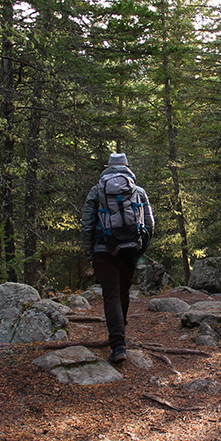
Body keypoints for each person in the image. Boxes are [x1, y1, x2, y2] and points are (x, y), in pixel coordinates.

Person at [81, 153, 154, 363]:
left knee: (110, 294)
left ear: (108, 168)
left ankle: (118, 344)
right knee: (123, 291)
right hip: (129, 250)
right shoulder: (138, 192)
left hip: (102, 249)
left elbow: (87, 225)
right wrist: (140, 250)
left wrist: (89, 254)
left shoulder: (96, 191)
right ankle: (121, 333)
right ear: (127, 167)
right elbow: (150, 225)